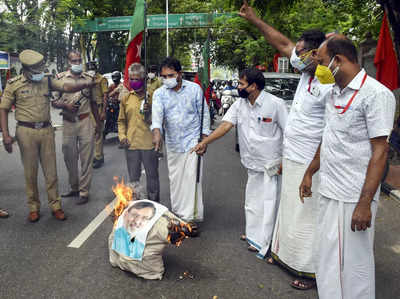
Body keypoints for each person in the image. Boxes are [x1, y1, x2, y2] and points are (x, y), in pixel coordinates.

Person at [239, 1, 330, 290]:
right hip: (292, 157)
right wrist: (255, 19)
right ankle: (286, 257)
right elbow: (281, 42)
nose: (296, 55)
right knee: (290, 211)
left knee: (308, 218)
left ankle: (311, 272)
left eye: (302, 52)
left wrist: (312, 169)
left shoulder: (329, 83)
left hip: (311, 162)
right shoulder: (306, 73)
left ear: (318, 53)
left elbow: (331, 131)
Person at [299, 36, 395, 299]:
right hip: (329, 190)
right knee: (327, 261)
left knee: (354, 267)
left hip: (354, 196)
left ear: (337, 61)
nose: (318, 67)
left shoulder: (377, 94)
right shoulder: (333, 92)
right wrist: (309, 172)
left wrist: (364, 204)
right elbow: (329, 136)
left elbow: (380, 151)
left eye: (320, 61)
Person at [192, 68, 287, 258]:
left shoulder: (275, 104)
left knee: (269, 203)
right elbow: (226, 125)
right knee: (253, 202)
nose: (238, 87)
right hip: (252, 163)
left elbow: (289, 133)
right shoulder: (240, 104)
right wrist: (205, 142)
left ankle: (267, 243)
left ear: (254, 86)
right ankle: (254, 235)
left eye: (242, 84)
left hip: (271, 165)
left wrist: (285, 159)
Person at [0, 49, 95, 222]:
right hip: (25, 131)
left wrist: (85, 84)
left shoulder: (46, 80)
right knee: (31, 172)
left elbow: (66, 86)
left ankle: (55, 206)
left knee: (51, 172)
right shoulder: (14, 84)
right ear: (26, 69)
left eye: (40, 70)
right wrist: (6, 135)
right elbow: (4, 109)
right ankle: (33, 207)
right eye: (35, 71)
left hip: (46, 130)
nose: (39, 74)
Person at [151, 57, 211, 223]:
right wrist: (157, 133)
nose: (167, 79)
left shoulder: (195, 89)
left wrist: (204, 139)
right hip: (173, 143)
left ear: (179, 74)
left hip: (193, 141)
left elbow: (204, 115)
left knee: (192, 179)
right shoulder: (159, 93)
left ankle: (190, 218)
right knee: (176, 181)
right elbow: (157, 116)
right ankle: (178, 214)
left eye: (170, 75)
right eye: (164, 76)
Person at [52, 51, 101, 205]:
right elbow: (54, 102)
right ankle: (74, 187)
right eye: (74, 60)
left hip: (85, 121)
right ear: (69, 62)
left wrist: (98, 124)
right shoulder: (60, 79)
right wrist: (65, 105)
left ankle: (84, 191)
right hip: (68, 122)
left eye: (79, 60)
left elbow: (93, 102)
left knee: (86, 159)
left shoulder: (89, 79)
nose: (77, 63)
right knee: (69, 157)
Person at [118, 63, 160, 202]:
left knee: (152, 178)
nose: (133, 82)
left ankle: (154, 206)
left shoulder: (153, 98)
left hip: (149, 144)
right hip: (131, 145)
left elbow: (158, 121)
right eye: (131, 79)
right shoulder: (126, 98)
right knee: (133, 180)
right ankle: (135, 208)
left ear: (143, 79)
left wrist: (149, 113)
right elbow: (121, 121)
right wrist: (122, 136)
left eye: (136, 79)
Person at [87, 61, 108, 169]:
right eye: (89, 68)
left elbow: (105, 96)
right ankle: (97, 155)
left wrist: (104, 111)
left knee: (98, 132)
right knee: (91, 133)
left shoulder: (101, 79)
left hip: (98, 108)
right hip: (88, 108)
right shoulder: (86, 79)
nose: (91, 70)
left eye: (92, 68)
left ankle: (98, 157)